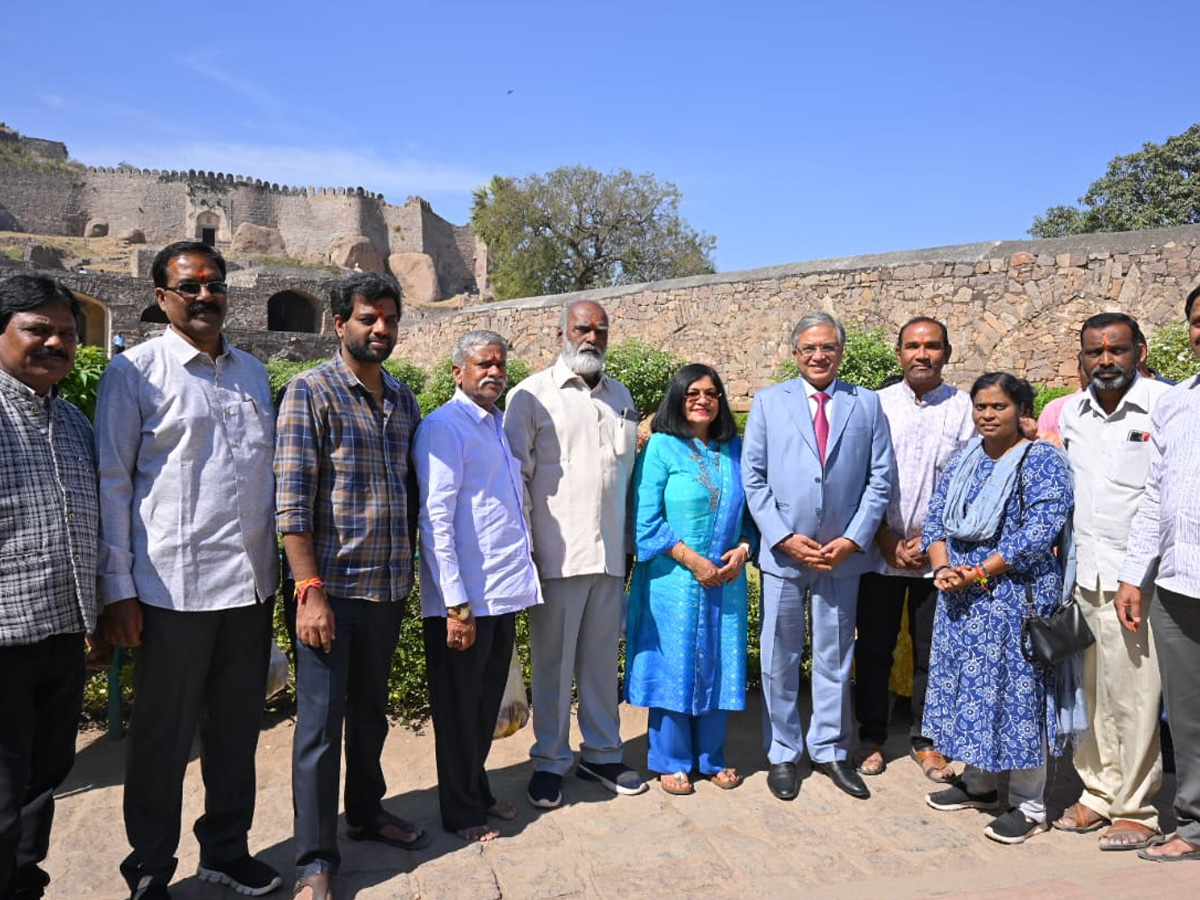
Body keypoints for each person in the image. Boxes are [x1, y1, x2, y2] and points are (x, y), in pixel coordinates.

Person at [95, 242, 281, 900]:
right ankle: (149, 869)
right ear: (162, 298)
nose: (205, 296)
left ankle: (226, 851)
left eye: (215, 285)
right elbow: (113, 483)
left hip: (248, 588)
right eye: (189, 287)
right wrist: (117, 590)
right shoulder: (136, 373)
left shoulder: (252, 374)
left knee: (236, 735)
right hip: (171, 591)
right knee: (162, 743)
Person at [274, 272, 428, 900]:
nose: (380, 329)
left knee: (370, 716)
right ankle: (314, 856)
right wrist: (307, 589)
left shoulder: (403, 398)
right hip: (329, 594)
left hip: (386, 589)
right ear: (339, 324)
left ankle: (365, 812)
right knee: (319, 727)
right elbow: (291, 504)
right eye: (368, 318)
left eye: (389, 319)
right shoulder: (310, 392)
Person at [741, 312, 893, 802]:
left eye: (827, 347)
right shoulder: (768, 402)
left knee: (835, 656)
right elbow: (755, 478)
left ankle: (829, 748)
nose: (818, 356)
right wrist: (782, 537)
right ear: (794, 353)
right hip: (786, 556)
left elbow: (880, 478)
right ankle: (783, 752)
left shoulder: (865, 404)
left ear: (840, 352)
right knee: (779, 656)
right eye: (809, 348)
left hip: (841, 556)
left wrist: (854, 539)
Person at [503, 300, 645, 809]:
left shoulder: (619, 395)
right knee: (554, 665)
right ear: (560, 331)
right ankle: (549, 760)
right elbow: (515, 479)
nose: (591, 338)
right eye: (582, 329)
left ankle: (604, 753)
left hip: (609, 556)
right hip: (556, 558)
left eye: (600, 331)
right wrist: (523, 553)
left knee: (602, 662)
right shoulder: (530, 396)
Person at [921, 373, 1074, 845]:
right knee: (973, 693)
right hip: (962, 598)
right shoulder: (966, 457)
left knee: (1017, 696)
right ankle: (981, 785)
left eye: (999, 407)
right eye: (981, 406)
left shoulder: (1041, 461)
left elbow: (1038, 532)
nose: (987, 415)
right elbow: (936, 516)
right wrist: (943, 565)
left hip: (1013, 597)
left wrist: (980, 571)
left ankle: (1029, 806)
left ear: (1022, 410)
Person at [415, 331, 542, 841]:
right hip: (466, 598)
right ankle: (461, 811)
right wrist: (455, 603)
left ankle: (477, 789)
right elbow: (436, 519)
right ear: (457, 373)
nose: (493, 371)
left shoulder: (493, 425)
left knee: (485, 704)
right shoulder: (444, 427)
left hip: (501, 591)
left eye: (499, 364)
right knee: (459, 708)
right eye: (482, 364)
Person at [1053, 313, 1171, 851]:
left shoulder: (1166, 408)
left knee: (1137, 696)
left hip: (1138, 581)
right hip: (1084, 576)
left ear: (1139, 352)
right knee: (1091, 693)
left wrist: (1138, 576)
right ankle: (1097, 792)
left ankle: (1136, 807)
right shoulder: (1072, 416)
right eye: (1095, 353)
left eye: (1116, 351)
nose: (1105, 361)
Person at [0, 275, 98, 900]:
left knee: (43, 780)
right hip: (4, 639)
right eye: (38, 329)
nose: (55, 343)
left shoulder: (71, 422)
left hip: (62, 632)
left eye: (65, 333)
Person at [624, 364, 755, 795]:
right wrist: (693, 561)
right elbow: (646, 522)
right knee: (674, 663)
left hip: (727, 580)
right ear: (677, 400)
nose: (703, 400)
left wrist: (743, 549)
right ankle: (670, 759)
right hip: (673, 579)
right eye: (692, 393)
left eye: (712, 393)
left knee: (720, 662)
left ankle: (711, 758)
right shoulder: (661, 447)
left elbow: (750, 515)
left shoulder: (734, 448)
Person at [853, 318, 973, 782]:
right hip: (878, 552)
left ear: (947, 351)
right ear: (899, 352)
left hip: (938, 557)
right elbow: (860, 477)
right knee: (875, 650)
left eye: (932, 346)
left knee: (933, 651)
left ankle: (928, 740)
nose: (922, 354)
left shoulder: (964, 409)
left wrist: (933, 540)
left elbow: (968, 482)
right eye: (913, 346)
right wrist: (883, 538)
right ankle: (872, 736)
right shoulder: (874, 406)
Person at [1116, 283, 1200, 863]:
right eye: (1198, 319)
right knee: (1190, 715)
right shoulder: (1176, 402)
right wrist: (1132, 574)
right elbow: (1153, 496)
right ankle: (1194, 824)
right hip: (1177, 583)